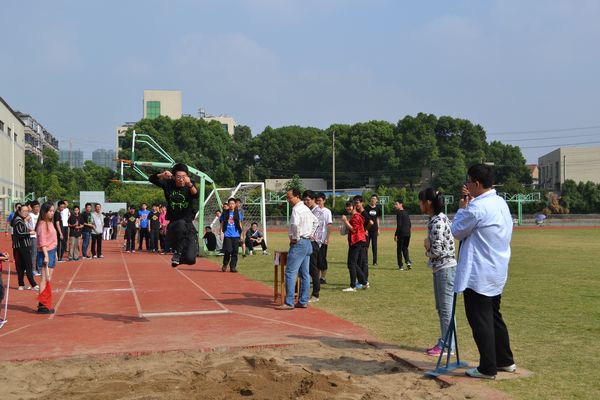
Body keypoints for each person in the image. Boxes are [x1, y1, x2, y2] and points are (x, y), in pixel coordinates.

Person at [451, 164, 516, 379]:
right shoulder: (499, 202)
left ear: (476, 183)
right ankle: (505, 360)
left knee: (480, 320)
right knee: (494, 316)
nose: (466, 186)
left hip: (479, 272)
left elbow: (457, 231)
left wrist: (462, 208)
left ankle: (487, 367)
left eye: (469, 182)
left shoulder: (477, 208)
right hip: (496, 268)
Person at [419, 188, 457, 357]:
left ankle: (448, 345)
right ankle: (447, 342)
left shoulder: (437, 222)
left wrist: (427, 248)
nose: (420, 204)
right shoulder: (439, 219)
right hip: (443, 268)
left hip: (445, 268)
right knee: (443, 308)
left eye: (421, 201)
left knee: (445, 309)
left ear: (428, 203)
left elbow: (438, 250)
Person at [149, 163, 200, 267]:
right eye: (178, 177)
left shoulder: (190, 184)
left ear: (187, 177)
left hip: (188, 224)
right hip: (175, 224)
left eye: (184, 177)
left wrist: (189, 184)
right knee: (181, 223)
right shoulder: (168, 184)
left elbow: (196, 195)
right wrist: (162, 174)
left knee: (191, 259)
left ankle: (179, 259)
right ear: (173, 177)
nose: (181, 179)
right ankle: (177, 253)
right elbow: (151, 179)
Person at [276, 188, 318, 310]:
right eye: (287, 197)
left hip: (299, 243)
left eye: (290, 197)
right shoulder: (306, 208)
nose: (288, 200)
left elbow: (295, 225)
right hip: (307, 243)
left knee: (290, 272)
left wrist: (295, 238)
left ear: (297, 196)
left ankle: (289, 302)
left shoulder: (296, 209)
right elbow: (316, 222)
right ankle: (303, 301)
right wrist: (311, 234)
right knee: (304, 274)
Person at [35, 201, 58, 314]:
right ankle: (42, 305)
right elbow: (42, 241)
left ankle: (45, 303)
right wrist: (46, 256)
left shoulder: (50, 223)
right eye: (50, 211)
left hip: (52, 251)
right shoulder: (42, 224)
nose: (52, 213)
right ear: (44, 212)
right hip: (46, 252)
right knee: (44, 279)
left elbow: (53, 240)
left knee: (49, 279)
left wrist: (55, 254)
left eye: (53, 211)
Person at [341, 201, 369, 292]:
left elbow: (353, 230)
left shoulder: (356, 217)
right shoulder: (356, 216)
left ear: (354, 207)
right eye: (346, 206)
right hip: (357, 241)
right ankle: (364, 282)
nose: (347, 208)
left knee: (351, 264)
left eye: (349, 206)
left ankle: (353, 286)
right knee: (353, 264)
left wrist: (345, 221)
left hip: (356, 241)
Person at [11, 204, 38, 291]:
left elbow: (20, 231)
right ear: (19, 212)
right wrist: (30, 233)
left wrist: (28, 230)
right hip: (22, 247)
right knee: (27, 266)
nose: (26, 213)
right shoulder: (18, 220)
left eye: (27, 211)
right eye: (24, 211)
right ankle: (33, 284)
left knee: (20, 266)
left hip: (18, 247)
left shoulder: (19, 220)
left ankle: (21, 285)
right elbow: (19, 233)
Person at [302, 190, 324, 303]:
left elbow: (312, 228)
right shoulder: (310, 210)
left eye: (308, 200)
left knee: (313, 269)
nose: (306, 202)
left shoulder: (318, 212)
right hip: (308, 242)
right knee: (307, 268)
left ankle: (315, 294)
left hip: (313, 243)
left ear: (314, 200)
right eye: (304, 200)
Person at [352, 195, 372, 285]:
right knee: (359, 260)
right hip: (359, 239)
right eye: (355, 203)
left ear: (362, 203)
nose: (356, 205)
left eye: (357, 203)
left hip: (363, 240)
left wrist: (365, 230)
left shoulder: (364, 213)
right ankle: (361, 280)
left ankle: (364, 280)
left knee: (363, 260)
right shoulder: (357, 213)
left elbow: (371, 222)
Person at [220, 197, 243, 272]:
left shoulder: (238, 213)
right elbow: (222, 223)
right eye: (230, 204)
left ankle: (233, 267)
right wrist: (221, 233)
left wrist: (241, 234)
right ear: (228, 204)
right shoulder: (225, 213)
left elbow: (240, 224)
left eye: (233, 204)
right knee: (228, 250)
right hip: (227, 235)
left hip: (236, 235)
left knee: (235, 251)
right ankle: (225, 264)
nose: (231, 205)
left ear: (235, 205)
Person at [315, 193, 332, 284]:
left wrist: (327, 238)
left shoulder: (327, 211)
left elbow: (329, 225)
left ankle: (323, 277)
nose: (318, 202)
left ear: (324, 201)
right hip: (314, 239)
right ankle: (316, 278)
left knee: (322, 258)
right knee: (315, 259)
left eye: (320, 200)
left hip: (323, 239)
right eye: (317, 201)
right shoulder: (314, 211)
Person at [394, 198, 412, 271]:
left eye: (396, 204)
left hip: (401, 233)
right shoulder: (406, 212)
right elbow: (410, 224)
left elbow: (399, 225)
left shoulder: (399, 213)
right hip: (408, 233)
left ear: (401, 204)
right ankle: (408, 262)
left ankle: (400, 266)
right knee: (405, 248)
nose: (395, 205)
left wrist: (396, 235)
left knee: (399, 249)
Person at [364, 194, 382, 266]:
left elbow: (377, 219)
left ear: (377, 200)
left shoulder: (378, 209)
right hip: (367, 229)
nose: (373, 200)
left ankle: (375, 261)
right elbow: (364, 219)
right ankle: (365, 261)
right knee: (366, 246)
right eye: (372, 198)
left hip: (374, 230)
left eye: (374, 199)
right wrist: (365, 229)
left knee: (374, 246)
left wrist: (378, 229)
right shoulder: (366, 208)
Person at [27, 200, 41, 276]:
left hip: (39, 236)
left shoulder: (40, 215)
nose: (37, 208)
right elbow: (24, 222)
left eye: (38, 206)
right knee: (34, 253)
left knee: (39, 253)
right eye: (35, 207)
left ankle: (39, 269)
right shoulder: (30, 215)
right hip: (33, 237)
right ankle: (33, 270)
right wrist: (29, 229)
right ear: (32, 208)